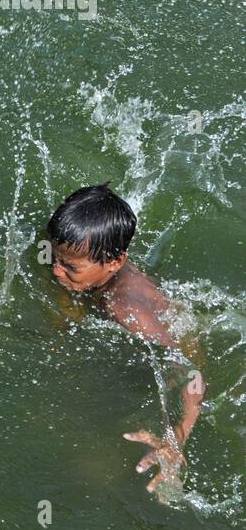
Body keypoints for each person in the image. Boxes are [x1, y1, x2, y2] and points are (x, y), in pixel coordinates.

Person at [46, 182, 204, 493]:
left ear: (115, 262)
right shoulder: (78, 244)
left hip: (175, 350)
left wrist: (177, 437)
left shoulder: (124, 308)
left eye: (69, 267)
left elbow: (191, 374)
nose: (55, 271)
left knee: (97, 462)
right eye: (53, 257)